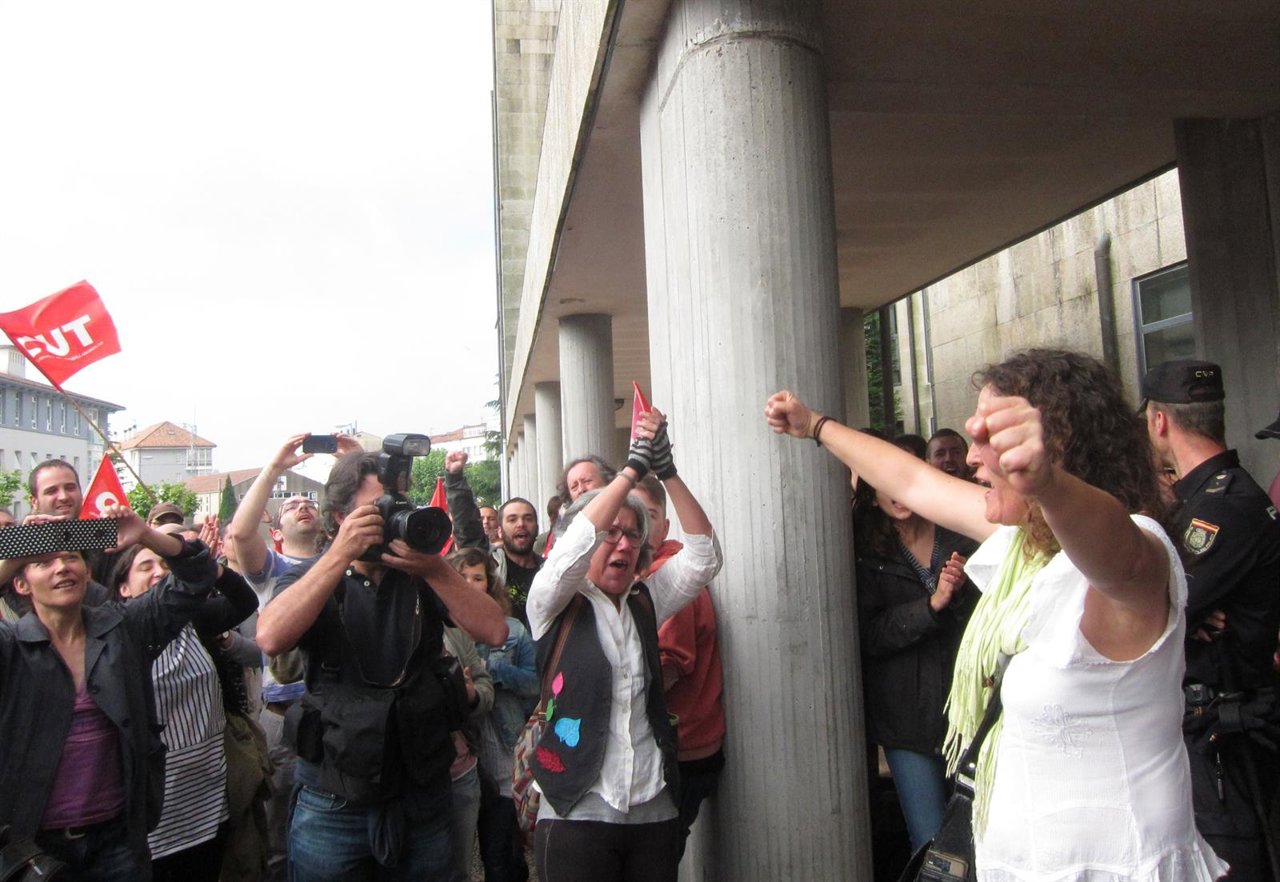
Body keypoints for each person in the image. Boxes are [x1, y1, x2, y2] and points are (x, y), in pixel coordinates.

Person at [766, 349, 1227, 880]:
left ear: (1056, 447)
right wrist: (816, 425)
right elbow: (912, 481)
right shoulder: (1026, 543)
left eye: (991, 437)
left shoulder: (1134, 551)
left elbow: (1113, 548)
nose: (971, 458)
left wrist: (1047, 483)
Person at [255, 449, 507, 882]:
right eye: (378, 509)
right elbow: (271, 637)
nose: (391, 519)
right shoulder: (314, 576)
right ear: (341, 516)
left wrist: (435, 569)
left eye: (397, 507)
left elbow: (495, 631)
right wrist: (339, 555)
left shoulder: (423, 574)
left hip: (420, 787)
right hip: (333, 793)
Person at [527, 410, 722, 882]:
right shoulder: (551, 599)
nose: (623, 544)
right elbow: (572, 548)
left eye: (633, 534)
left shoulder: (645, 600)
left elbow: (705, 558)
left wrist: (667, 470)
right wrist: (633, 468)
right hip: (576, 810)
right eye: (609, 533)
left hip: (652, 807)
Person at [0, 503, 217, 879]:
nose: (62, 567)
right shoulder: (10, 647)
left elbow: (198, 576)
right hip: (33, 849)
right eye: (43, 562)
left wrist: (146, 535)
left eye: (71, 557)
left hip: (118, 841)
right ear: (20, 584)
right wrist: (16, 551)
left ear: (88, 572)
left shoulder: (124, 628)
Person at [1142, 359, 1280, 880]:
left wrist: (1176, 613)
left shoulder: (1221, 506)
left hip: (1228, 736)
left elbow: (1153, 611)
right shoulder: (1203, 497)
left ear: (1159, 421)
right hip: (1205, 729)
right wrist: (1180, 613)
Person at [226, 432, 347, 881]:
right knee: (279, 831)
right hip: (283, 716)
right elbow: (241, 532)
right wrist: (274, 468)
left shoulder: (344, 559)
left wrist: (352, 465)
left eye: (309, 502)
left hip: (339, 709)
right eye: (291, 505)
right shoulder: (270, 572)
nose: (303, 506)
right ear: (275, 532)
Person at [111, 525, 258, 882]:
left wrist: (209, 568)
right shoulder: (115, 634)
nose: (159, 571)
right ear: (123, 588)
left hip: (207, 798)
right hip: (156, 809)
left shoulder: (195, 619)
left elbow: (245, 601)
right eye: (145, 566)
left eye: (164, 564)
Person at [851, 466, 978, 854]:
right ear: (873, 496)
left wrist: (958, 593)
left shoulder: (961, 536)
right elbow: (870, 636)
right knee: (930, 844)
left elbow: (987, 623)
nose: (898, 492)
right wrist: (930, 605)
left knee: (979, 838)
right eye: (886, 483)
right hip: (906, 720)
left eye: (904, 478)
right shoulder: (867, 551)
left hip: (967, 714)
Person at [632, 474, 726, 858]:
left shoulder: (669, 574)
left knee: (657, 856)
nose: (639, 526)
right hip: (679, 747)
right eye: (631, 515)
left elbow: (666, 671)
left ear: (666, 525)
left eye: (649, 515)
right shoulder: (640, 575)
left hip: (683, 751)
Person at [448, 546, 537, 882]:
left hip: (502, 748)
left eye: (478, 578)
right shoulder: (441, 630)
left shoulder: (511, 630)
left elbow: (535, 683)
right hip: (460, 754)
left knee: (499, 853)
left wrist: (493, 673)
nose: (470, 585)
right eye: (462, 577)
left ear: (489, 583)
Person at [445, 451, 544, 625]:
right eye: (512, 519)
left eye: (528, 519)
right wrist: (454, 478)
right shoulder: (490, 563)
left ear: (537, 527)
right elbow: (467, 525)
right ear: (500, 529)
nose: (521, 524)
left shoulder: (550, 570)